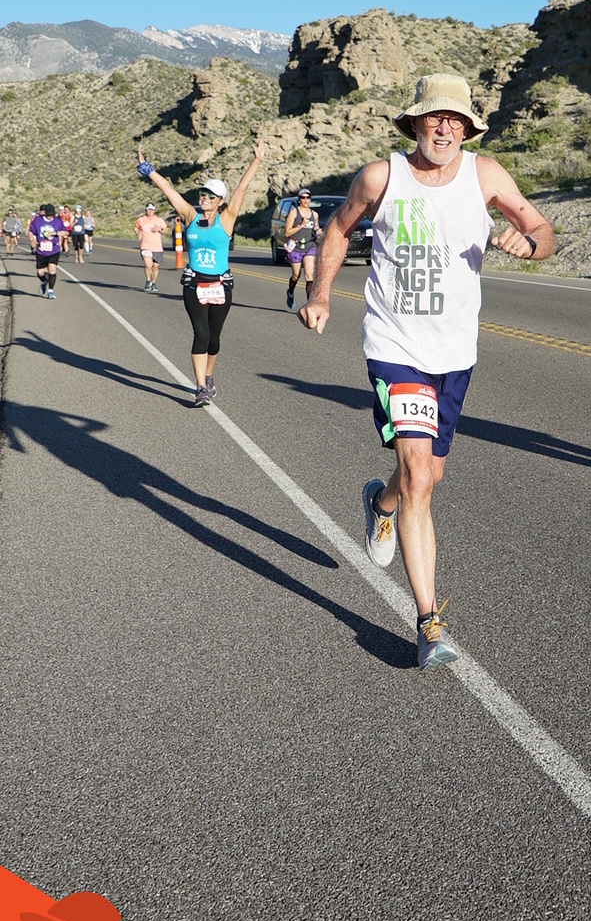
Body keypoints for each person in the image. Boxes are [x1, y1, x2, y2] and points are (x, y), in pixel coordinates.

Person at [299, 72, 556, 671]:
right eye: (434, 117)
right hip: (395, 345)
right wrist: (320, 293)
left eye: (455, 120)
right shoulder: (381, 177)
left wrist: (530, 245)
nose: (444, 128)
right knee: (419, 474)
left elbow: (542, 230)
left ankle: (380, 503)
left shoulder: (485, 175)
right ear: (415, 123)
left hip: (455, 353)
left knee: (427, 477)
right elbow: (337, 229)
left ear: (468, 128)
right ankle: (429, 622)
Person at [136, 137, 265, 405]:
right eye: (202, 194)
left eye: (210, 196)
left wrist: (257, 160)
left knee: (214, 340)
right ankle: (200, 388)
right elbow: (169, 190)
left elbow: (241, 189)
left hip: (220, 286)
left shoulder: (226, 219)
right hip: (194, 285)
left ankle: (208, 375)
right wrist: (149, 171)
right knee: (201, 334)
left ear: (220, 201)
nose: (204, 198)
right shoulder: (189, 216)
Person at [284, 188, 321, 309]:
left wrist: (318, 232)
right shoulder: (294, 213)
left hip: (310, 246)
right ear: (299, 199)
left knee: (309, 275)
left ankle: (309, 305)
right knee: (296, 276)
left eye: (308, 197)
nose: (305, 200)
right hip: (296, 247)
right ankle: (290, 292)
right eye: (303, 197)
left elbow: (316, 228)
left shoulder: (314, 215)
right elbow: (287, 232)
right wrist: (301, 225)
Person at [28, 203, 67, 298]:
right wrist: (32, 240)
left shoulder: (57, 221)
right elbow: (30, 231)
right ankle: (45, 280)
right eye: (48, 215)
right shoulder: (38, 221)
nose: (50, 217)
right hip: (41, 250)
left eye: (51, 215)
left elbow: (65, 232)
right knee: (40, 272)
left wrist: (54, 233)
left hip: (54, 249)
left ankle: (50, 291)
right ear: (45, 213)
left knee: (52, 268)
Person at [133, 203, 168, 291]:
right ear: (146, 210)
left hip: (157, 247)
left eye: (152, 210)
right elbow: (136, 227)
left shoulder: (159, 220)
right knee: (148, 265)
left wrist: (159, 229)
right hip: (146, 246)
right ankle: (148, 281)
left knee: (155, 267)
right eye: (148, 209)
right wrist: (138, 233)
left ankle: (153, 282)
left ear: (154, 211)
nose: (150, 211)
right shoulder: (141, 220)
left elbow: (166, 231)